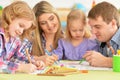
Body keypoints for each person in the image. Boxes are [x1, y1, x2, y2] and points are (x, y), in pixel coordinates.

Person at [0, 1, 44, 74]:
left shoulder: (15, 40)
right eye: (20, 25)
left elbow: (17, 58)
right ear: (11, 17)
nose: (21, 31)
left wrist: (33, 62)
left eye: (24, 29)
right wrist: (19, 67)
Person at [83, 1, 120, 67]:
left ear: (113, 23)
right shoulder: (98, 41)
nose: (93, 32)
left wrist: (106, 61)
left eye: (97, 27)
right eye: (92, 27)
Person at [32, 1, 63, 66]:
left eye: (51, 19)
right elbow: (17, 58)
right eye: (43, 23)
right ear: (38, 26)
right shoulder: (32, 39)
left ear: (57, 16)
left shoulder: (66, 37)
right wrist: (37, 59)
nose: (50, 25)